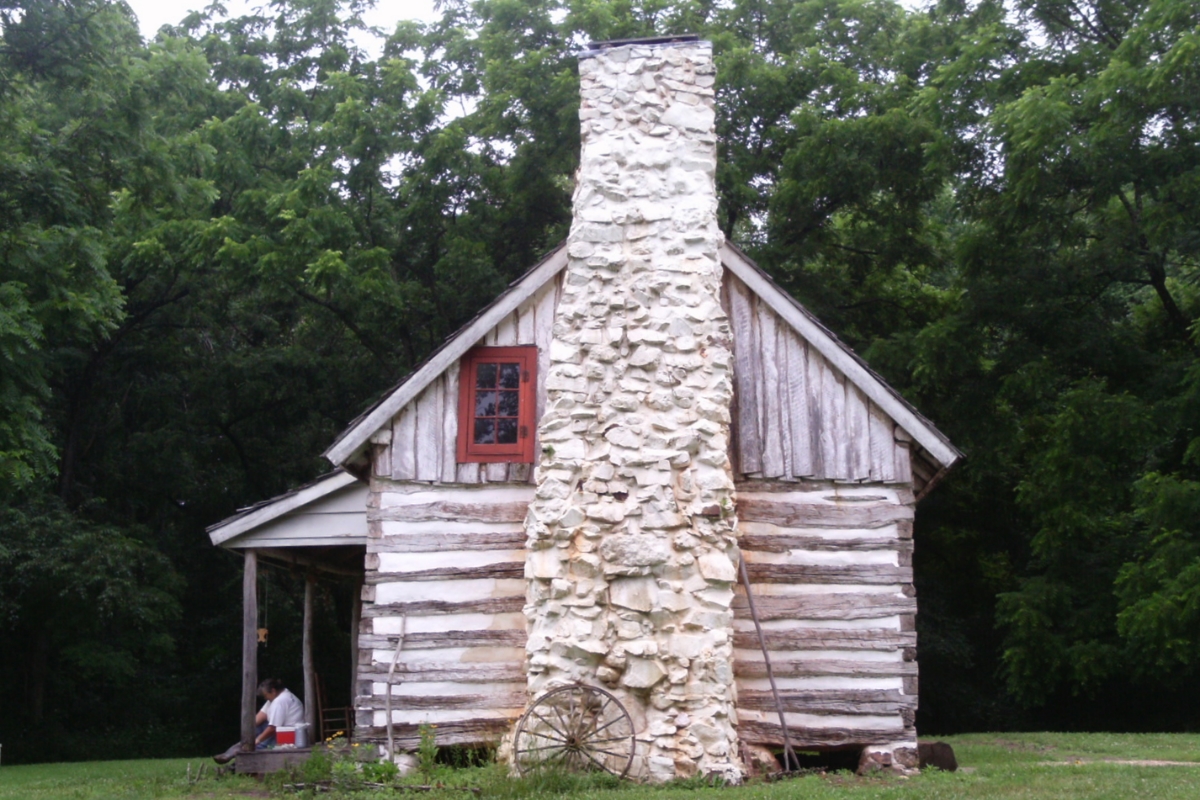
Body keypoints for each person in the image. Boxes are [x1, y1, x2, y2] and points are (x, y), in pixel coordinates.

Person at [213, 677, 306, 764]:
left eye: (266, 696)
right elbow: (261, 716)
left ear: (273, 691)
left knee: (257, 746)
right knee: (255, 729)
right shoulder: (277, 697)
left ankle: (236, 763)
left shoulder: (280, 701)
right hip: (280, 731)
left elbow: (273, 728)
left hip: (287, 736)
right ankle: (231, 752)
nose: (265, 698)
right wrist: (248, 732)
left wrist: (257, 740)